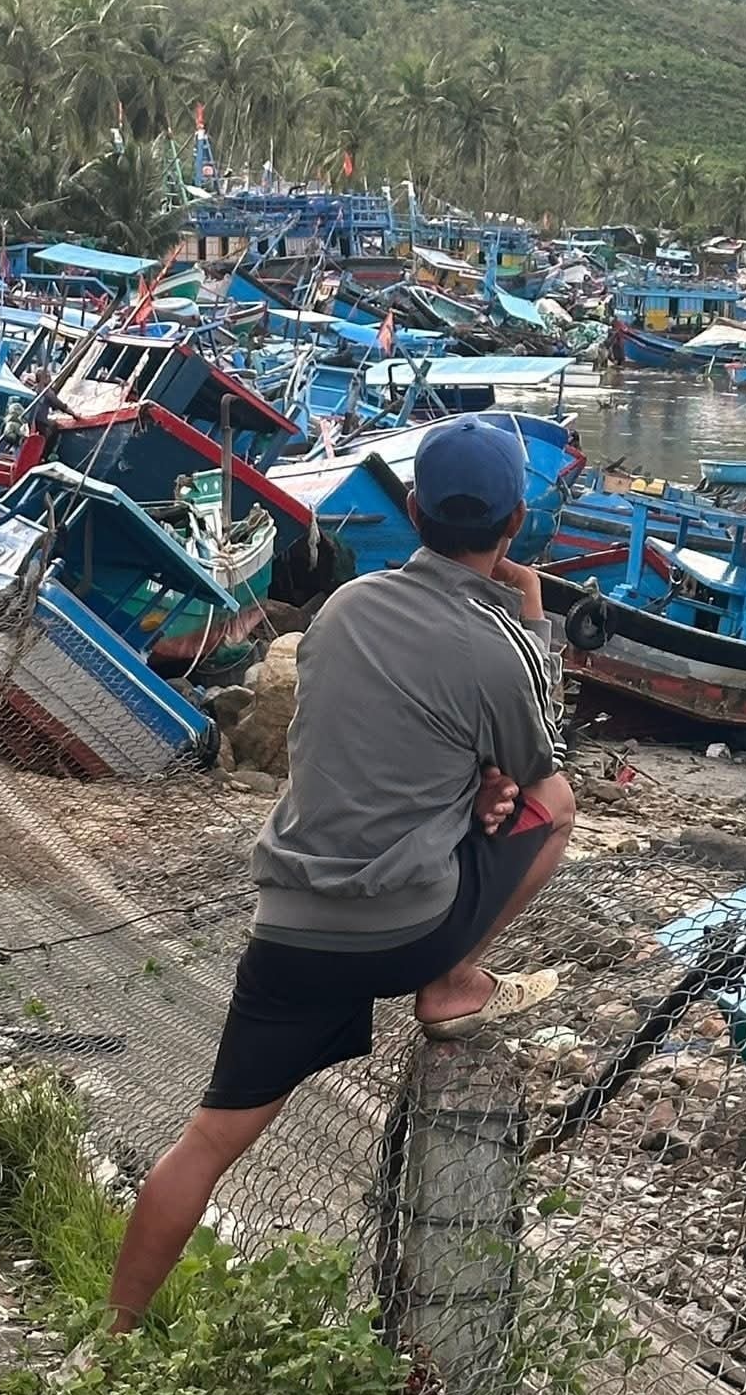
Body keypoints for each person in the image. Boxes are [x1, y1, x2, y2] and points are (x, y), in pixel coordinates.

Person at [104, 415, 575, 1329]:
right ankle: (453, 982)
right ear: (516, 522)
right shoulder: (499, 645)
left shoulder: (341, 611)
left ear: (410, 508)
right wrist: (531, 623)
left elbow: (385, 742)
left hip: (290, 930)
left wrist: (470, 778)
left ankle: (109, 1337)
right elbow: (540, 781)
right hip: (402, 935)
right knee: (557, 814)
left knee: (205, 1142)